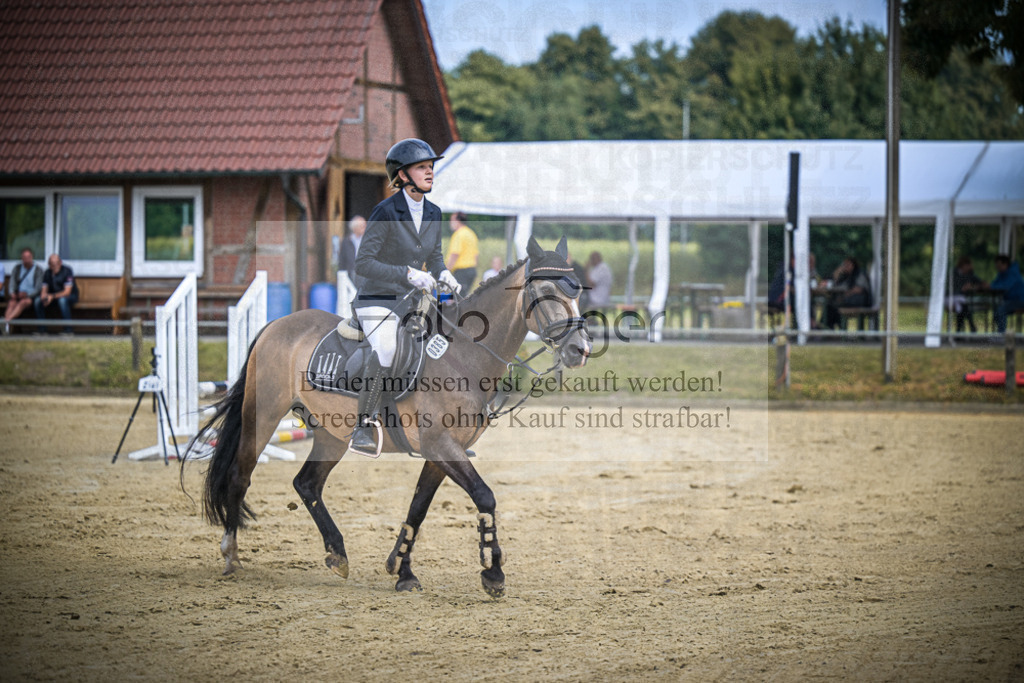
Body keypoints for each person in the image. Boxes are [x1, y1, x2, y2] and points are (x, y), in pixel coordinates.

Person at [348, 138, 461, 456]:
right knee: (386, 347)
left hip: (411, 301)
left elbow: (435, 257)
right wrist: (407, 274)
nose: (430, 172)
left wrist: (445, 273)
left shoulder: (434, 212)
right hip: (377, 298)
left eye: (431, 167)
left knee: (447, 338)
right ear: (402, 174)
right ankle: (362, 426)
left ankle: (444, 428)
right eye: (422, 167)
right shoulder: (385, 212)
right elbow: (363, 263)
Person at [822, 257, 871, 330]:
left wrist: (847, 294)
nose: (845, 266)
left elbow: (859, 289)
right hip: (849, 300)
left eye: (847, 264)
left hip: (859, 302)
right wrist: (837, 273)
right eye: (844, 265)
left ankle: (832, 329)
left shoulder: (859, 273)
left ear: (853, 265)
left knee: (834, 307)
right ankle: (829, 328)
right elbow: (838, 284)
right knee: (831, 306)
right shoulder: (846, 276)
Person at [34, 253, 79, 334]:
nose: (55, 266)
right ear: (49, 264)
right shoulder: (47, 273)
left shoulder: (67, 271)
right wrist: (43, 297)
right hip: (53, 297)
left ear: (60, 262)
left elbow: (67, 292)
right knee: (37, 301)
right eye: (52, 264)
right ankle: (42, 330)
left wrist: (52, 296)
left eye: (57, 263)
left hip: (70, 296)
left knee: (62, 301)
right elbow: (44, 289)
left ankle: (68, 330)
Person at [3, 248, 43, 335]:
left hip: (31, 297)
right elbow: (12, 283)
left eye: (28, 257)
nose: (26, 259)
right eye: (24, 257)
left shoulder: (38, 270)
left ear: (32, 257)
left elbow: (38, 288)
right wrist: (12, 293)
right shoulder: (17, 268)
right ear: (21, 258)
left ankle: (6, 321)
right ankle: (6, 327)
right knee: (11, 303)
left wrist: (27, 295)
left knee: (22, 303)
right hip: (18, 294)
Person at [985, 254, 1024, 334]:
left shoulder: (1013, 273)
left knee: (1001, 310)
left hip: (1020, 300)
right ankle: (1000, 332)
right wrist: (989, 286)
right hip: (1010, 301)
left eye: (999, 266)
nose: (998, 268)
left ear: (1005, 264)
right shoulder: (1001, 274)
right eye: (997, 266)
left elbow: (1005, 286)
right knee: (996, 311)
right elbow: (995, 284)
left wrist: (991, 286)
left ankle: (1001, 334)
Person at [946, 256, 982, 333]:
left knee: (962, 308)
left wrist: (973, 286)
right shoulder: (954, 273)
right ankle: (971, 326)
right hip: (951, 298)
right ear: (964, 265)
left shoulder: (969, 274)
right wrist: (962, 289)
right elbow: (951, 288)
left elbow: (981, 282)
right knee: (963, 306)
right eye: (968, 266)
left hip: (961, 300)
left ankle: (959, 331)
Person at [445, 212, 479, 293]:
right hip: (471, 270)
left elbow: (455, 254)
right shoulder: (471, 233)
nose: (450, 223)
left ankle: (442, 302)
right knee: (461, 295)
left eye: (452, 220)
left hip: (461, 271)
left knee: (456, 297)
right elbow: (476, 255)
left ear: (458, 221)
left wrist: (446, 270)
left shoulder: (458, 234)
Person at [338, 215, 365, 283]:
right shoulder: (346, 241)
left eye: (364, 225)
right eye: (362, 226)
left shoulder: (368, 241)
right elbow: (342, 260)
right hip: (351, 275)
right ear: (355, 228)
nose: (364, 228)